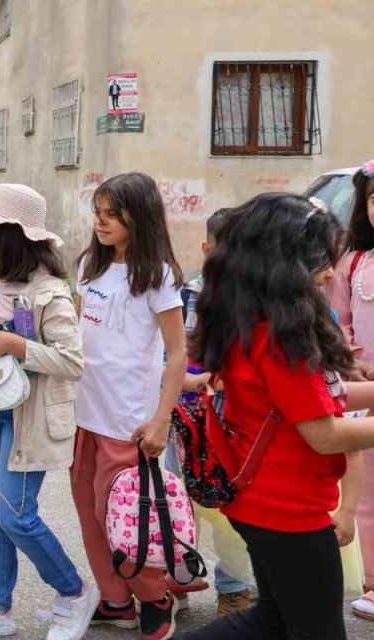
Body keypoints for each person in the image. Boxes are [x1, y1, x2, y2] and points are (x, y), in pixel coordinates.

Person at [177, 193, 374, 639]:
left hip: (259, 502)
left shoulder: (251, 321)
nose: (330, 273)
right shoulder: (282, 339)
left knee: (274, 619)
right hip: (288, 510)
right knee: (311, 629)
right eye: (321, 260)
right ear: (285, 264)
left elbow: (320, 398)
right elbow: (324, 433)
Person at [0, 184, 98, 640]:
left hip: (29, 419)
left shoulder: (49, 292)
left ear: (14, 234)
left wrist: (16, 344)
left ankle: (73, 592)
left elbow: (72, 362)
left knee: (16, 515)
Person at [72, 172, 187, 640]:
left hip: (129, 423)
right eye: (97, 213)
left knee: (122, 517)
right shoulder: (89, 266)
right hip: (84, 415)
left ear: (138, 217)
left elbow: (176, 352)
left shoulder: (157, 275)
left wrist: (161, 418)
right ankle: (116, 600)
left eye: (111, 215)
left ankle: (155, 596)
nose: (100, 223)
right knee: (89, 514)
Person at [167, 208, 255, 618]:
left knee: (230, 507)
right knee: (178, 500)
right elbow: (174, 354)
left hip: (236, 419)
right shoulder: (188, 294)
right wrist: (191, 381)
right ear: (206, 249)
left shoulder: (259, 298)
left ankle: (234, 587)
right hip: (188, 417)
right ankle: (177, 580)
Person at [327, 160, 374, 621]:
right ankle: (371, 579)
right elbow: (338, 322)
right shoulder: (353, 261)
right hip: (364, 388)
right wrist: (354, 359)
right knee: (365, 486)